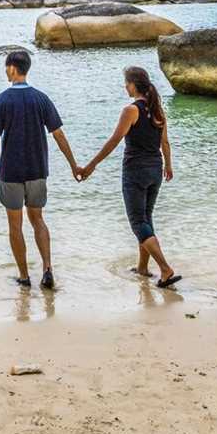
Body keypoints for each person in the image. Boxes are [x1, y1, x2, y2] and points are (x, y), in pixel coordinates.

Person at [0, 48, 82, 289]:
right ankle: (47, 268)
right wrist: (73, 164)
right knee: (38, 220)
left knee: (15, 225)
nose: (5, 71)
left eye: (6, 67)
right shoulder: (41, 98)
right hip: (38, 170)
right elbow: (58, 133)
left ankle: (25, 276)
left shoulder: (1, 100)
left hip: (12, 172)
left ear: (12, 68)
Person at [80, 66, 181, 288]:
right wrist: (169, 165)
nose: (125, 86)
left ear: (134, 84)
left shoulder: (131, 110)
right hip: (156, 169)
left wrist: (91, 165)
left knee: (137, 222)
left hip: (136, 171)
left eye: (126, 83)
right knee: (146, 217)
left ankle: (165, 268)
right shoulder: (158, 110)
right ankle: (143, 268)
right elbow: (165, 142)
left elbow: (114, 140)